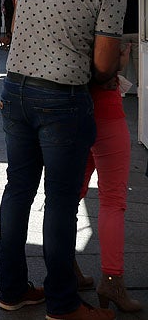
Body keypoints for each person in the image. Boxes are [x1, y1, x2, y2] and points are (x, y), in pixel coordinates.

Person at [0, 0, 142, 320]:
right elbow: (102, 63)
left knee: (17, 193)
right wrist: (112, 67)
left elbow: (15, 28)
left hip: (14, 88)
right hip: (61, 98)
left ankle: (12, 290)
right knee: (60, 201)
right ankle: (63, 304)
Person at [79, 42, 142, 313]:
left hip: (73, 111)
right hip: (106, 111)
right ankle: (112, 281)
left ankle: (66, 270)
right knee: (113, 200)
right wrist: (123, 56)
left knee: (69, 197)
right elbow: (108, 66)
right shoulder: (107, 4)